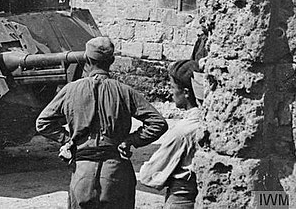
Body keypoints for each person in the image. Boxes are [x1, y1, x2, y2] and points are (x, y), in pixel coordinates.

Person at [36, 36, 168, 208]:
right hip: (116, 173)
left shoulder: (70, 90)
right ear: (112, 61)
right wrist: (131, 141)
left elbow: (43, 123)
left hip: (82, 173)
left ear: (87, 60)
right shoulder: (124, 91)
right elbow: (158, 123)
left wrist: (68, 141)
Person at [139, 60, 203, 208]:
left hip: (182, 200)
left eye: (172, 87)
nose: (170, 92)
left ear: (186, 92)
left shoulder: (182, 132)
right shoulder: (209, 121)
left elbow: (149, 176)